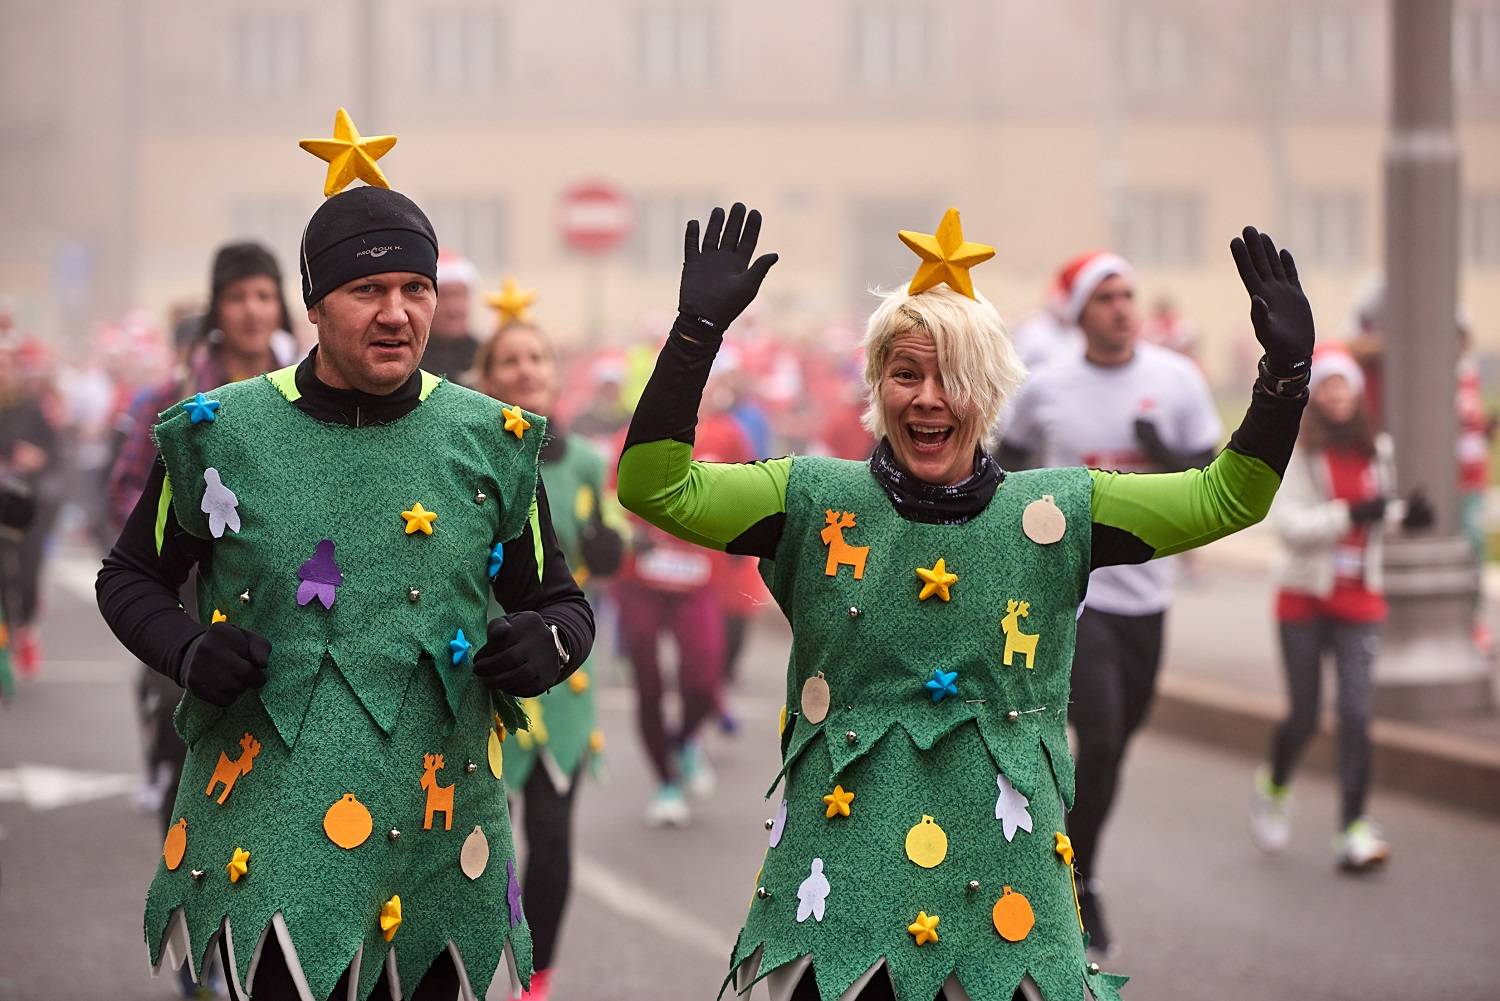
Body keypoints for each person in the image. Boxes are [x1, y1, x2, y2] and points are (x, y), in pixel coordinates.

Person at [617, 202, 1314, 1001]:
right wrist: (697, 332)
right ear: (879, 384)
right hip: (836, 879)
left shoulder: (1058, 512)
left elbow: (1229, 498)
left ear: (989, 390)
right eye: (906, 372)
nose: (928, 397)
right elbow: (652, 484)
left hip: (1008, 888)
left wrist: (1283, 379)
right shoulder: (810, 498)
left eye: (952, 375)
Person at [95, 112, 593, 1001]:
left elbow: (560, 600)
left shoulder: (491, 440)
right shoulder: (220, 434)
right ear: (316, 305)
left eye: (416, 287)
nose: (397, 313)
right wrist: (184, 649)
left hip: (437, 831)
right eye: (368, 291)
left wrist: (548, 641)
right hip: (272, 822)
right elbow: (128, 576)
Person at [997, 250, 1224, 957]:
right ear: (1079, 313)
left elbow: (1217, 485)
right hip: (1075, 593)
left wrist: (1171, 458)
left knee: (1115, 746)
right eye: (1106, 297)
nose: (1122, 308)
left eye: (1128, 295)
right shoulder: (1045, 388)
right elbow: (1001, 469)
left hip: (1148, 595)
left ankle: (1069, 856)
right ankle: (1076, 880)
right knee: (1099, 736)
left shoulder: (1177, 380)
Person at [105, 240, 294, 1000]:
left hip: (282, 609)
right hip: (188, 609)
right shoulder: (170, 398)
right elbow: (127, 507)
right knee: (191, 766)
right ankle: (197, 956)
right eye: (238, 295)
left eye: (264, 294)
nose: (252, 309)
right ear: (216, 308)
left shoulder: (303, 385)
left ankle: (262, 942)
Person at [474, 307, 624, 1001]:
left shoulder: (589, 461)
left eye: (537, 358)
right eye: (510, 360)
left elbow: (612, 536)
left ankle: (536, 978)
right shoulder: (467, 455)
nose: (525, 370)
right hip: (478, 668)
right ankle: (473, 964)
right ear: (487, 377)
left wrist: (610, 546)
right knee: (474, 838)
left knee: (552, 833)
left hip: (563, 674)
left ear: (556, 376)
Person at [1251, 345, 1432, 871]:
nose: (1335, 394)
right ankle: (1276, 783)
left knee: (1355, 715)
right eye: (1326, 385)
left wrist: (1401, 515)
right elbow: (1292, 528)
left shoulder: (1379, 450)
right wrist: (1354, 512)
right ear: (1316, 397)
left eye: (1343, 385)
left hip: (1359, 599)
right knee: (1304, 716)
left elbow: (1374, 512)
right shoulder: (1299, 453)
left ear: (1356, 394)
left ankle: (1352, 828)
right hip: (1303, 598)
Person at [422, 249, 482, 382]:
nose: (455, 309)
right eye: (446, 296)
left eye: (461, 295)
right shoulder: (410, 358)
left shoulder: (485, 354)